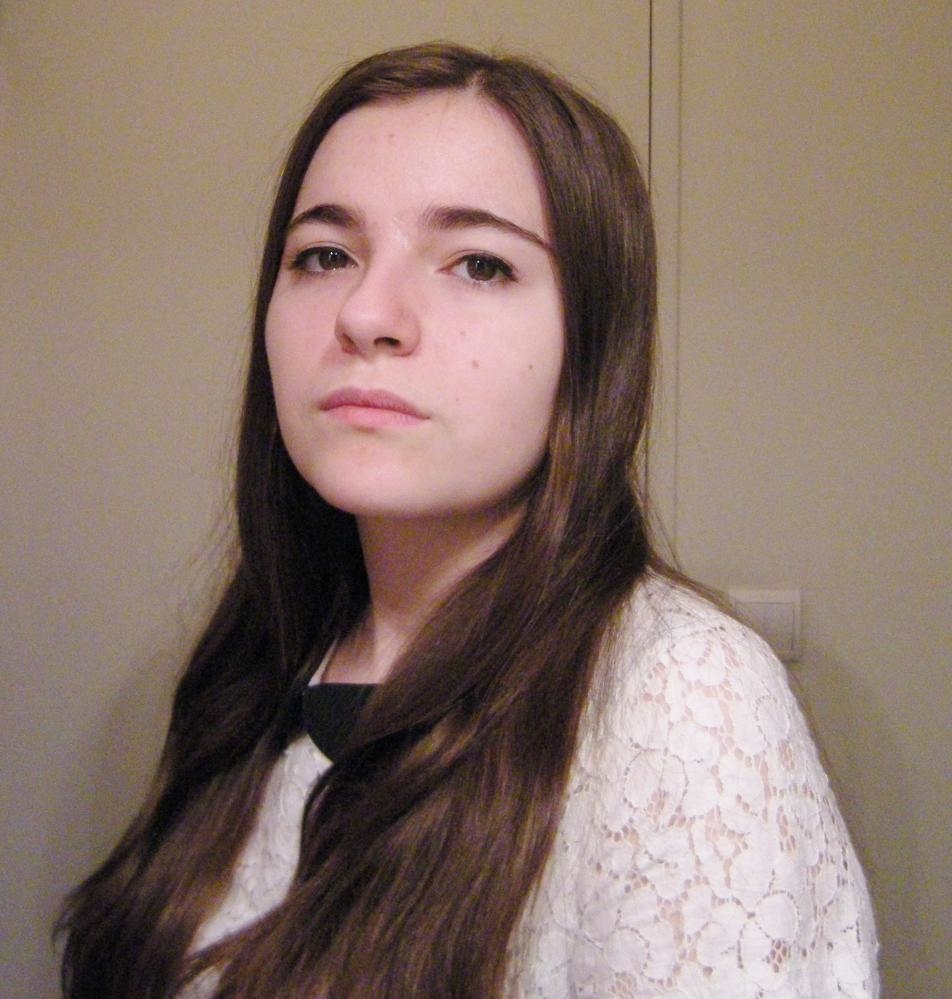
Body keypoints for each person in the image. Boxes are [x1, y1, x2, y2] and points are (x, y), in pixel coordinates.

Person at [57, 43, 879, 998]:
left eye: (480, 265)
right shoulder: (265, 655)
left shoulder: (680, 700)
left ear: (592, 344)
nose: (367, 312)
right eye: (325, 255)